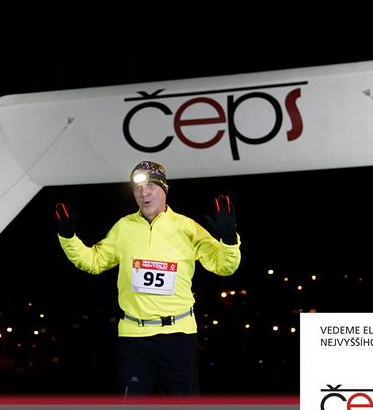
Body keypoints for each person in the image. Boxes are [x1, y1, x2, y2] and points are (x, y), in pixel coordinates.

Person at [54, 160, 241, 396]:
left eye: (151, 186)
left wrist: (229, 240)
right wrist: (68, 237)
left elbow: (224, 266)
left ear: (164, 189)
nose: (144, 193)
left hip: (179, 335)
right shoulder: (124, 227)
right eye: (138, 188)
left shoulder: (187, 227)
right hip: (134, 338)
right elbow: (94, 262)